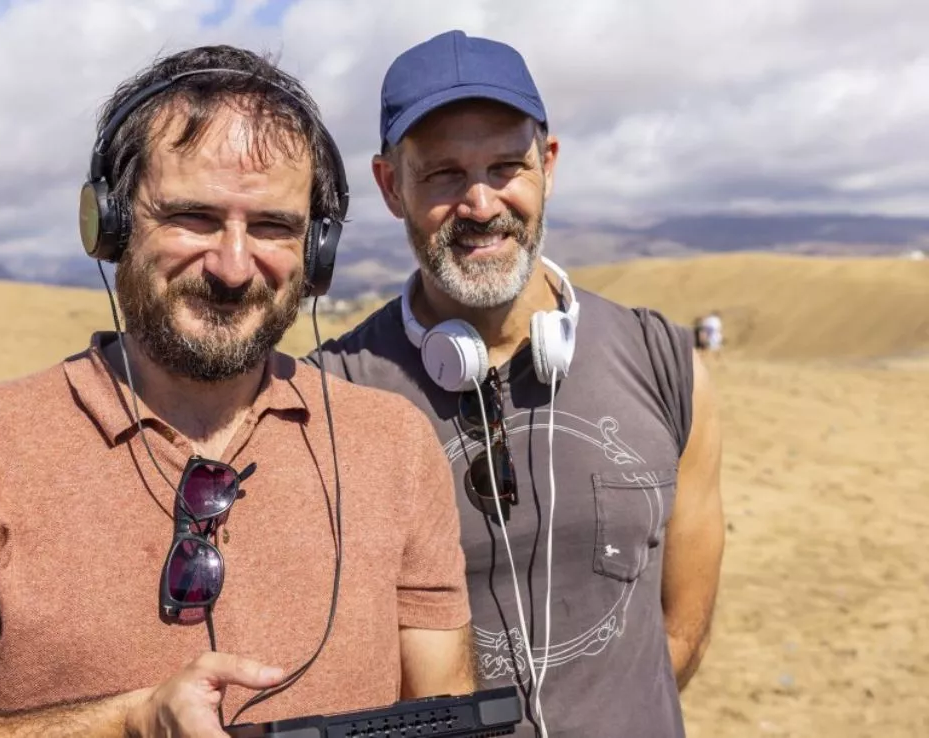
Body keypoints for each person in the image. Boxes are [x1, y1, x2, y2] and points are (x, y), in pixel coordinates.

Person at [0, 45, 476, 738]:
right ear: (108, 226)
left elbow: (446, 715)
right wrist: (124, 724)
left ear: (317, 253)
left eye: (272, 226)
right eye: (192, 218)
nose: (232, 266)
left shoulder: (392, 444)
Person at [306, 31, 725, 738]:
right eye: (442, 174)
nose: (480, 203)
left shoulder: (668, 364)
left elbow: (681, 632)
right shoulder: (330, 396)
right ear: (389, 185)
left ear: (549, 165)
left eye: (506, 166)